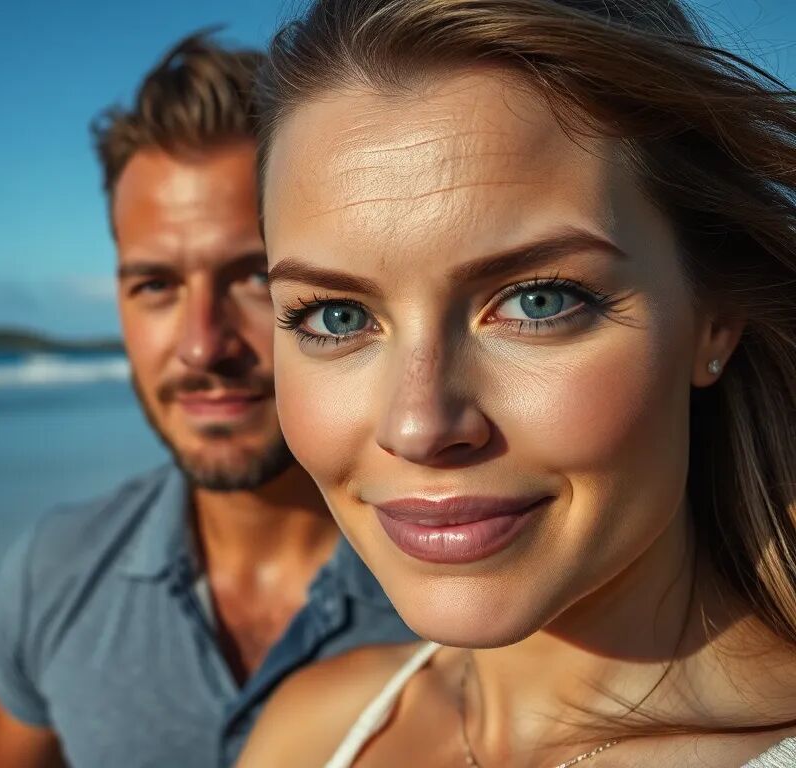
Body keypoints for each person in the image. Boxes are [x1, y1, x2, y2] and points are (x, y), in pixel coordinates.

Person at [235, 0, 796, 766]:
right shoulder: (305, 732)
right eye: (336, 317)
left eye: (540, 301)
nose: (419, 425)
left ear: (713, 319)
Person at [0, 32, 414, 768]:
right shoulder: (54, 570)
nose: (204, 346)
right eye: (156, 285)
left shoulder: (471, 585)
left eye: (253, 276)